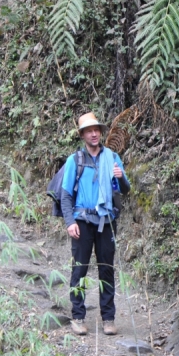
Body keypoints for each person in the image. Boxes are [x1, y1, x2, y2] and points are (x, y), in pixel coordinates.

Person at [60, 112, 130, 336]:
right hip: (82, 221)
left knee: (107, 270)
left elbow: (125, 189)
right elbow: (65, 195)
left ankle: (108, 318)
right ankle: (78, 316)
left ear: (101, 132)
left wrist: (120, 177)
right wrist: (70, 221)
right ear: (82, 135)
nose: (94, 134)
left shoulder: (112, 157)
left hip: (107, 221)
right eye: (89, 131)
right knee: (79, 269)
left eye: (96, 130)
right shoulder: (75, 160)